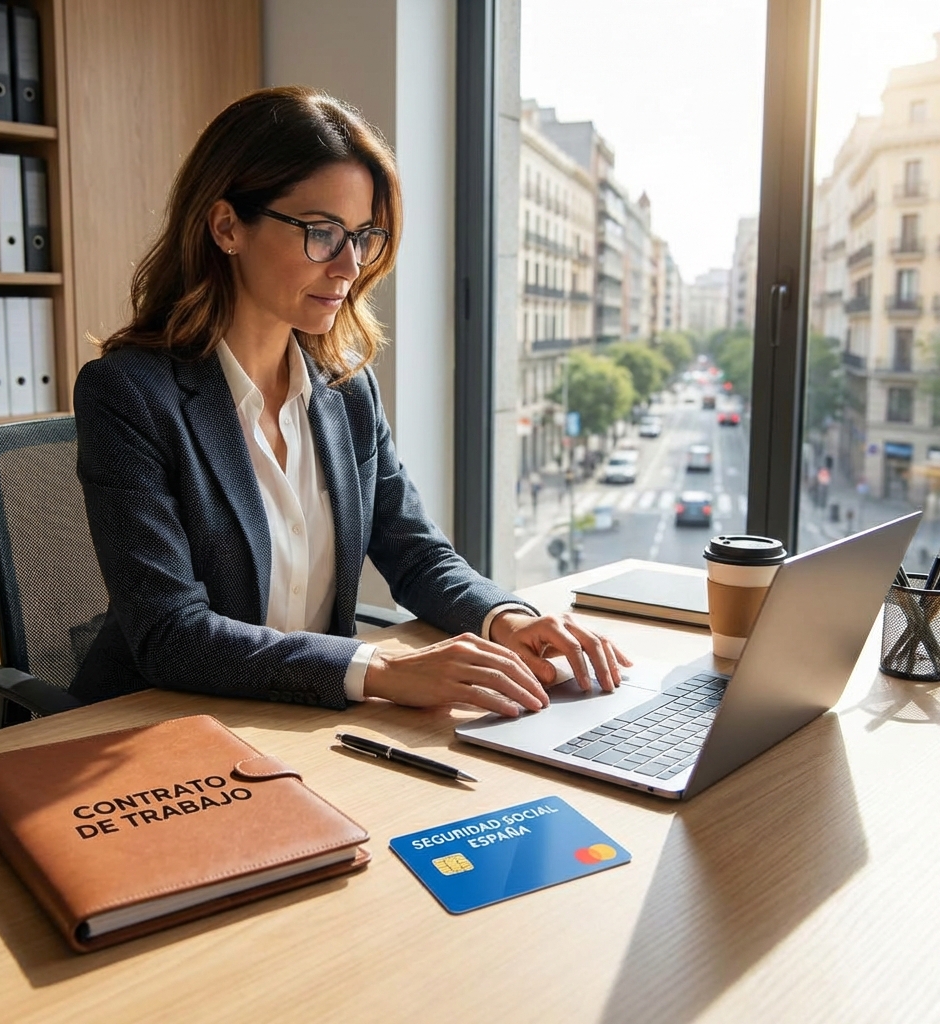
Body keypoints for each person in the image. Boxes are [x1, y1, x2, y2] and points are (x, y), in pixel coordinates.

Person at [71, 86, 630, 717]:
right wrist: (381, 667)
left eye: (361, 236)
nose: (349, 265)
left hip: (302, 719)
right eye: (321, 232)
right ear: (227, 226)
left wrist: (503, 617)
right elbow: (170, 634)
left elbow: (414, 549)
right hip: (156, 726)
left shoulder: (344, 386)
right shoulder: (128, 394)